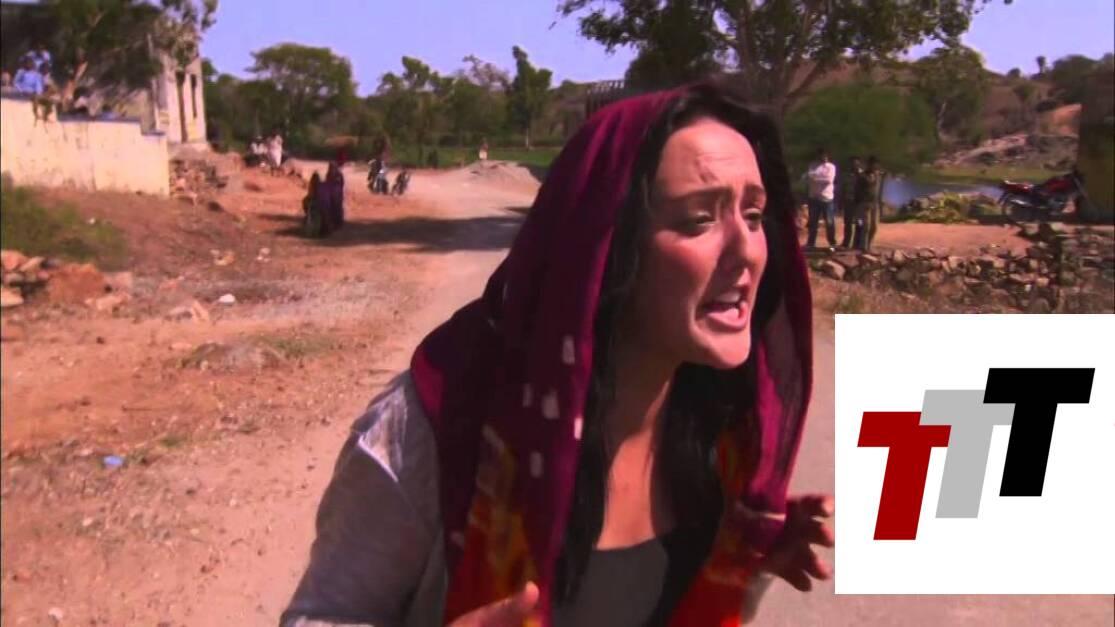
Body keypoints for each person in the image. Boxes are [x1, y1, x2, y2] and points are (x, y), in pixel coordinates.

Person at [282, 81, 832, 627]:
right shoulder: (441, 422)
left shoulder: (726, 434)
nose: (746, 251)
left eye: (754, 216)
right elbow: (320, 614)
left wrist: (744, 561)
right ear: (605, 246)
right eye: (698, 219)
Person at [802, 148, 837, 250]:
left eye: (825, 155)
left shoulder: (831, 167)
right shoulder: (813, 165)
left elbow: (829, 180)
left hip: (827, 198)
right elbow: (806, 177)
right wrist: (812, 178)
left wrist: (814, 178)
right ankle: (811, 243)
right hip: (814, 198)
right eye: (822, 155)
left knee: (829, 222)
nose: (824, 157)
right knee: (813, 222)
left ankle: (832, 243)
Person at [839, 156, 863, 249]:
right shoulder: (846, 175)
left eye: (856, 163)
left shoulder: (863, 175)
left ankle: (857, 243)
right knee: (848, 223)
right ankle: (846, 242)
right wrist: (840, 201)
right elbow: (842, 189)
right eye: (852, 163)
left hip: (859, 203)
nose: (854, 165)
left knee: (859, 222)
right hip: (848, 201)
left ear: (859, 164)